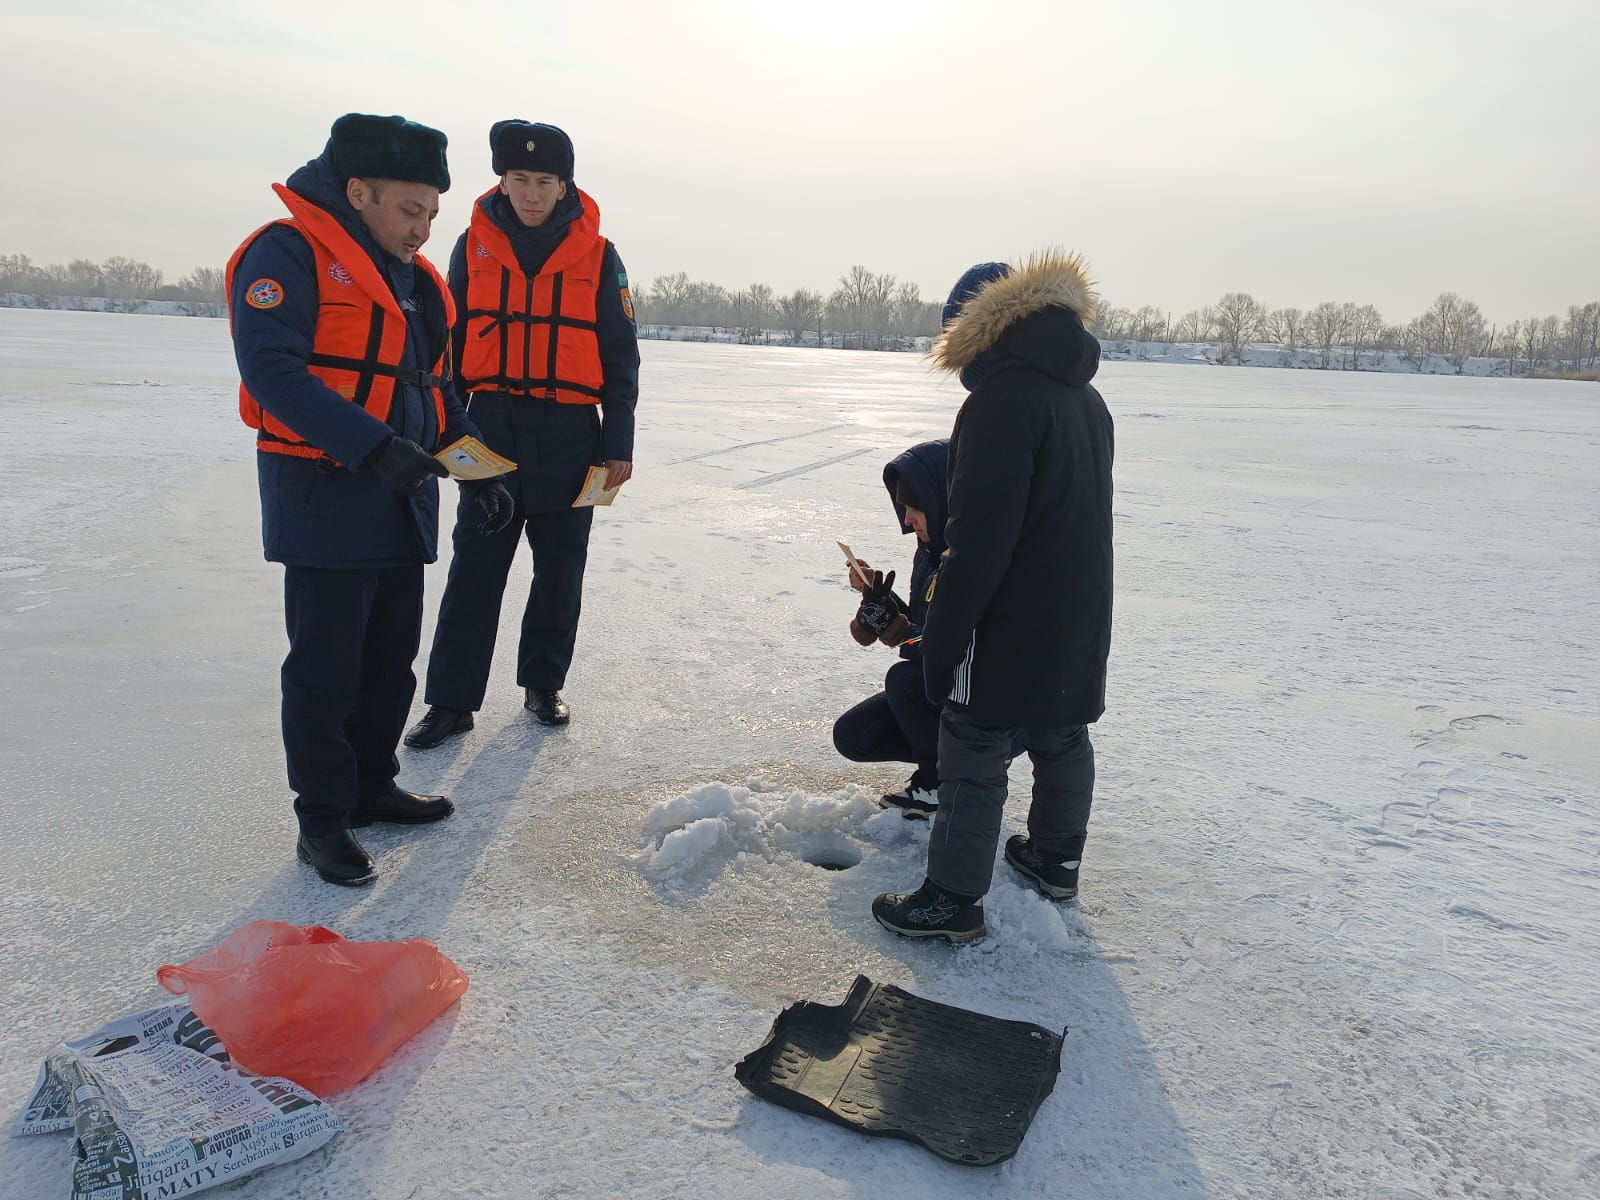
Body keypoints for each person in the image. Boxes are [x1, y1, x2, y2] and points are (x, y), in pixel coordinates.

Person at [226, 113, 515, 887]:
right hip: (325, 495)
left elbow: (437, 392)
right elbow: (274, 375)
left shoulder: (417, 284)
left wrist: (480, 471)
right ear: (358, 191)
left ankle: (370, 786)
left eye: (432, 214)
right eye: (409, 210)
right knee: (326, 668)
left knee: (389, 662)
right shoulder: (285, 255)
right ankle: (322, 819)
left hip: (401, 497)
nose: (423, 230)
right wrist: (376, 449)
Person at [872, 252, 1114, 943]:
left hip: (1009, 620)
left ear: (971, 330)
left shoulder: (997, 405)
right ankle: (1054, 858)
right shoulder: (1086, 401)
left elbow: (977, 544)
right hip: (1080, 616)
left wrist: (943, 646)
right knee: (1061, 734)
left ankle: (951, 897)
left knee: (972, 740)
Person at [404, 120, 640, 746]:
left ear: (565, 186)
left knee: (560, 569)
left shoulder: (600, 253)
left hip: (571, 433)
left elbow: (621, 356)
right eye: (519, 180)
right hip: (490, 424)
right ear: (501, 182)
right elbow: (442, 346)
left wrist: (618, 442)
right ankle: (452, 702)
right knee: (475, 568)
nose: (531, 194)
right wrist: (447, 428)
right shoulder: (470, 245)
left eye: (544, 181)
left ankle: (543, 683)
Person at [832, 440, 950, 818]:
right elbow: (924, 622)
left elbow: (952, 648)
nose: (908, 521)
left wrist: (899, 631)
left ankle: (941, 784)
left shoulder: (972, 561)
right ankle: (948, 765)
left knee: (903, 680)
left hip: (980, 705)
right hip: (937, 689)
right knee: (853, 737)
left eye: (916, 509)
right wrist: (878, 600)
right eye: (905, 509)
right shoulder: (929, 551)